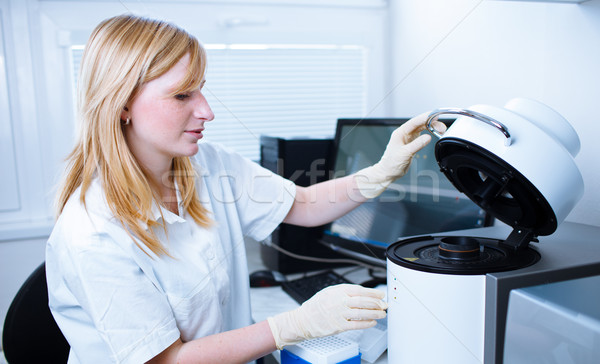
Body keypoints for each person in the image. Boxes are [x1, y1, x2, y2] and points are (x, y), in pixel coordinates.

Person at [46, 14, 444, 364]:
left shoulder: (206, 163)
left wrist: (378, 173)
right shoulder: (92, 232)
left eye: (201, 89)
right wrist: (295, 325)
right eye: (183, 94)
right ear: (122, 105)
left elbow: (302, 204)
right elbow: (167, 361)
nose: (207, 111)